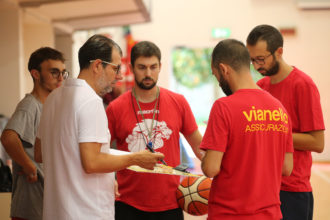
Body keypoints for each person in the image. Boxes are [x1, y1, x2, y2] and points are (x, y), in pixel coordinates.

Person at [34, 35, 164, 220]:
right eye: (115, 68)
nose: (119, 76)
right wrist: (136, 158)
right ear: (97, 66)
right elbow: (92, 162)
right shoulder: (90, 101)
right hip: (86, 211)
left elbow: (41, 152)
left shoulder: (54, 97)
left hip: (57, 211)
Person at [106, 41, 203, 220]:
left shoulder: (178, 102)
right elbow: (101, 152)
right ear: (131, 67)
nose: (148, 73)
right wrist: (108, 179)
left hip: (171, 203)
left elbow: (199, 147)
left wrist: (220, 171)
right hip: (127, 204)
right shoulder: (115, 108)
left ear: (160, 67)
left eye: (153, 67)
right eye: (142, 67)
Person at [200, 39, 294, 220]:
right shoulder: (279, 108)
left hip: (230, 214)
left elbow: (211, 169)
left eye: (215, 75)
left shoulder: (223, 107)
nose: (219, 81)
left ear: (223, 69)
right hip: (271, 214)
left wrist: (208, 151)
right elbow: (286, 168)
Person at [246, 24, 325, 220]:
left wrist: (274, 131)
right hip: (264, 187)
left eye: (261, 59)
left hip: (293, 189)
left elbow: (317, 142)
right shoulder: (260, 86)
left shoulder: (303, 85)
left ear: (279, 52)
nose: (256, 66)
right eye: (252, 60)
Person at [0, 47, 67, 220]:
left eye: (63, 73)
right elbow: (8, 138)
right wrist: (28, 165)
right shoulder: (30, 105)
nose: (60, 78)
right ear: (36, 74)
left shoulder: (51, 106)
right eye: (54, 72)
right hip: (30, 207)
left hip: (47, 204)